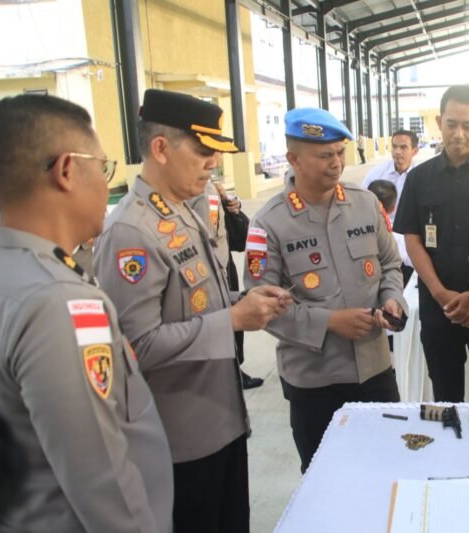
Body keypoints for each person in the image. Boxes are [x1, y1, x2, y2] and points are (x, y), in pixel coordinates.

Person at [94, 89, 290, 533]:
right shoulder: (131, 232)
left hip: (221, 425)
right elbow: (134, 346)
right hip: (178, 445)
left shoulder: (182, 211)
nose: (214, 163)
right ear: (161, 148)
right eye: (203, 152)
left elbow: (193, 306)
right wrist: (232, 321)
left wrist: (242, 302)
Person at [0, 94, 173, 532]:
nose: (106, 185)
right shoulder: (61, 302)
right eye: (103, 167)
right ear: (67, 170)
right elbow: (102, 481)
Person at [244, 107, 406, 473]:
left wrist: (391, 299)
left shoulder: (365, 203)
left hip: (375, 369)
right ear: (293, 160)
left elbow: (390, 265)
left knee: (386, 468)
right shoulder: (269, 223)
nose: (336, 164)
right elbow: (261, 306)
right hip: (315, 380)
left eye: (340, 153)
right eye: (324, 155)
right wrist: (330, 322)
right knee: (324, 475)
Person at [394, 85, 469, 402]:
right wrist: (441, 294)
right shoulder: (419, 178)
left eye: (467, 125)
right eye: (452, 124)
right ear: (439, 122)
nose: (459, 134)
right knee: (445, 395)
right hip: (438, 307)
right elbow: (412, 238)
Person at [190, 180, 264, 389]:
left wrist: (231, 205)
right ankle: (230, 372)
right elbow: (210, 236)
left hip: (221, 264)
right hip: (212, 268)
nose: (213, 164)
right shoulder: (202, 191)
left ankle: (234, 369)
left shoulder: (209, 188)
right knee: (223, 321)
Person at [362, 129, 420, 284]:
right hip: (378, 236)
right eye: (394, 146)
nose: (397, 152)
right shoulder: (376, 174)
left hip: (409, 237)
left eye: (403, 147)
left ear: (415, 151)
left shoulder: (421, 176)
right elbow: (361, 204)